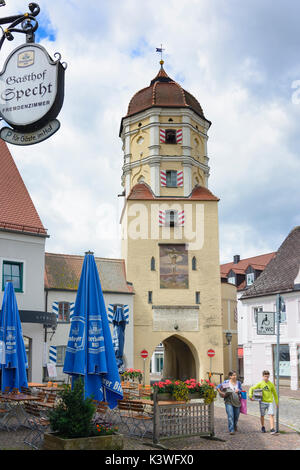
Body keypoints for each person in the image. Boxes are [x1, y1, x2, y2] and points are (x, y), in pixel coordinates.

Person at [249, 370, 278, 434]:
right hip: (262, 402)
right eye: (265, 376)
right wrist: (250, 396)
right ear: (263, 376)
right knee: (262, 415)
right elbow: (251, 388)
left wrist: (276, 402)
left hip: (270, 402)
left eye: (267, 376)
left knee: (271, 415)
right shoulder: (260, 383)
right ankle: (263, 426)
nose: (266, 378)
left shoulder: (271, 384)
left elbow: (275, 394)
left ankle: (272, 429)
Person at [217, 370, 242, 435]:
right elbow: (218, 387)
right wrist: (221, 393)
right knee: (230, 416)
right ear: (230, 376)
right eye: (233, 375)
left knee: (236, 416)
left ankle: (234, 425)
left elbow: (241, 390)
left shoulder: (238, 383)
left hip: (237, 401)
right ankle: (231, 430)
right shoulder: (227, 382)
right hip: (228, 401)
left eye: (235, 375)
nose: (235, 376)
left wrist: (238, 391)